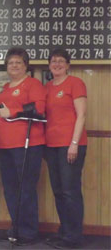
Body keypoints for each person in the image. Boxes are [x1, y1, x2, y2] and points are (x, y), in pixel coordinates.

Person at [0, 47, 46, 245]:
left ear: (26, 65)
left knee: (26, 187)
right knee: (10, 188)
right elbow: (1, 112)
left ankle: (29, 231)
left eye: (18, 62)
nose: (14, 65)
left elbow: (39, 108)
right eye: (10, 62)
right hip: (4, 144)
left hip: (27, 143)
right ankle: (16, 227)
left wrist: (13, 112)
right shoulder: (5, 89)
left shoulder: (33, 84)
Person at [44, 49, 87, 249]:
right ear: (49, 65)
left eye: (61, 61)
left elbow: (82, 115)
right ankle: (65, 232)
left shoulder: (75, 83)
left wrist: (74, 143)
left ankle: (74, 237)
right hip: (51, 145)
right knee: (59, 191)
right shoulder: (47, 87)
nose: (57, 64)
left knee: (70, 191)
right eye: (54, 61)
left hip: (70, 145)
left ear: (68, 65)